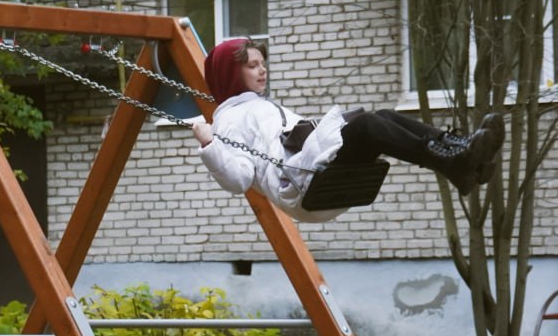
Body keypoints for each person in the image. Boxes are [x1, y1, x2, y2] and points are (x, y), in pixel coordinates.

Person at [190, 37, 505, 222]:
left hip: (315, 173)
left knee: (381, 116)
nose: (263, 70)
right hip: (303, 185)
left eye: (262, 62)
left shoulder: (257, 106)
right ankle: (455, 160)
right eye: (252, 65)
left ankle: (457, 154)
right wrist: (209, 145)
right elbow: (238, 179)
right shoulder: (229, 120)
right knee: (368, 125)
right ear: (231, 73)